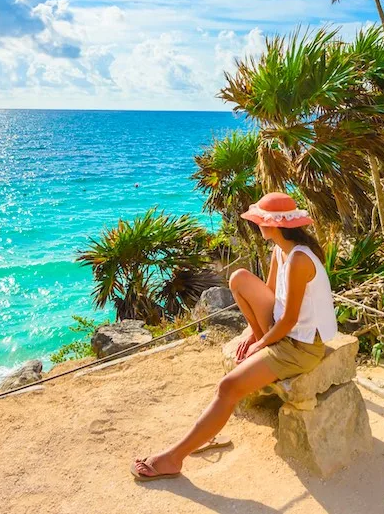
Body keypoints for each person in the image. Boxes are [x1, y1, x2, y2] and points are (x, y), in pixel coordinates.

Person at [131, 191, 338, 481]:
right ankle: (195, 440)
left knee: (228, 387)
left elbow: (291, 318)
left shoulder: (300, 259)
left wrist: (262, 344)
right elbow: (268, 292)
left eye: (261, 220)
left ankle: (172, 459)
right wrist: (253, 332)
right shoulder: (281, 249)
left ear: (275, 225)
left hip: (300, 346)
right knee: (239, 277)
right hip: (283, 330)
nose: (257, 224)